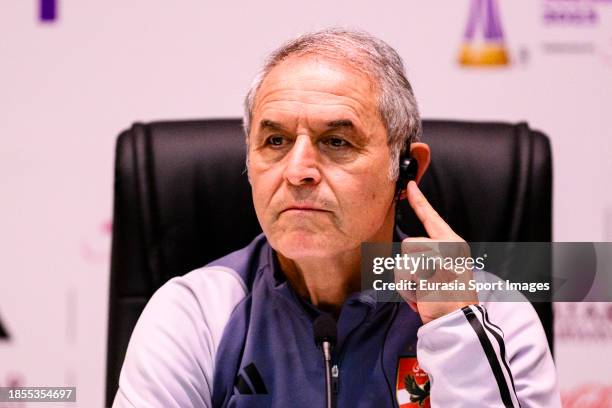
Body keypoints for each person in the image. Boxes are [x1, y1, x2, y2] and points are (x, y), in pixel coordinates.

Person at [112, 28, 561, 407]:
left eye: (337, 142)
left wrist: (458, 335)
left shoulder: (496, 313)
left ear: (406, 170)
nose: (297, 171)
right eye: (275, 141)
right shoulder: (193, 316)